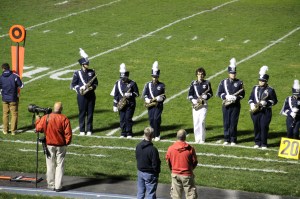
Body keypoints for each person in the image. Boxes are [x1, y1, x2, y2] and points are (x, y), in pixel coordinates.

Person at [35, 102, 72, 192]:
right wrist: (66, 143)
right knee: (60, 165)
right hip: (61, 145)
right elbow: (68, 134)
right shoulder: (64, 119)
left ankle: (51, 185)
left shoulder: (46, 117)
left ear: (53, 108)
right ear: (61, 109)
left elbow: (38, 129)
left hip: (49, 145)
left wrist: (37, 120)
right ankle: (58, 186)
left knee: (50, 165)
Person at [217, 58, 245, 146]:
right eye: (232, 73)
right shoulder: (223, 82)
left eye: (234, 73)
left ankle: (233, 139)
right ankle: (226, 138)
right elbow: (219, 93)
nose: (233, 74)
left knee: (233, 122)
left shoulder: (239, 82)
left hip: (235, 105)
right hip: (226, 105)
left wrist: (236, 98)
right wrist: (226, 96)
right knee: (226, 122)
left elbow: (242, 94)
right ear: (228, 73)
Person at [248, 66, 278, 149]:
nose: (260, 82)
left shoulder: (270, 90)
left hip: (265, 112)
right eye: (260, 80)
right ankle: (257, 142)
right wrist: (251, 104)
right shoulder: (255, 88)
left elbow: (274, 101)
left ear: (266, 81)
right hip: (256, 111)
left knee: (264, 127)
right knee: (256, 126)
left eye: (262, 81)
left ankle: (264, 143)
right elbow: (250, 98)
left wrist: (266, 103)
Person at [71, 48, 98, 136]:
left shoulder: (92, 72)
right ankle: (82, 130)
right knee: (82, 113)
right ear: (82, 65)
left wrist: (91, 88)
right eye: (86, 63)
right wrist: (80, 88)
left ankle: (89, 129)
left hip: (90, 95)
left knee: (90, 112)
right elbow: (73, 85)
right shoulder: (77, 73)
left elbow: (96, 83)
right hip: (81, 96)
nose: (88, 64)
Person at [166, 129, 198, 199]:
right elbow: (195, 161)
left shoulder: (170, 148)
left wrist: (173, 169)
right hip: (187, 175)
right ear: (185, 137)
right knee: (191, 196)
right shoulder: (190, 148)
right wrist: (190, 169)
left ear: (177, 137)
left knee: (176, 196)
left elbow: (168, 161)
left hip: (175, 175)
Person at [110, 63, 139, 138]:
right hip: (121, 104)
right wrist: (114, 105)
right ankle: (123, 133)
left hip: (130, 104)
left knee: (128, 118)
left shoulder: (132, 83)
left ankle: (129, 132)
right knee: (122, 119)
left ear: (127, 76)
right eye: (122, 78)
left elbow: (136, 93)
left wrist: (130, 94)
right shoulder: (118, 83)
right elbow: (116, 95)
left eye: (124, 78)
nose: (122, 79)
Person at [188, 67, 213, 144]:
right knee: (196, 122)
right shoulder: (193, 83)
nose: (200, 76)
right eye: (199, 74)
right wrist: (193, 100)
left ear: (204, 75)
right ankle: (197, 138)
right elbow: (190, 94)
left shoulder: (207, 83)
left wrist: (206, 97)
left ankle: (202, 138)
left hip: (203, 105)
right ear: (196, 75)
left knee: (202, 121)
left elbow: (210, 93)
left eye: (202, 74)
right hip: (196, 104)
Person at [142, 61, 166, 141]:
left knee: (156, 119)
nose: (154, 78)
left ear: (158, 77)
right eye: (153, 77)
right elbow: (145, 94)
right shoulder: (148, 84)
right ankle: (152, 134)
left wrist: (160, 99)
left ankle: (157, 134)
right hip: (151, 105)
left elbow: (164, 96)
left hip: (158, 105)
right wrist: (146, 99)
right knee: (151, 119)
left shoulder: (161, 85)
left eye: (156, 77)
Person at [136, 127, 161, 199]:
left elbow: (137, 157)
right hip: (150, 174)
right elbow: (155, 164)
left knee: (140, 193)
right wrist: (157, 172)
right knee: (150, 194)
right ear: (152, 135)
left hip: (140, 172)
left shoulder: (138, 146)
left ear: (144, 134)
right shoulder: (153, 150)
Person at [0, 63, 24, 135]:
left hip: (4, 98)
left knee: (5, 114)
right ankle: (13, 131)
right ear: (9, 68)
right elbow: (21, 86)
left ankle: (5, 130)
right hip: (13, 98)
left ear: (3, 69)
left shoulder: (1, 77)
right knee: (14, 114)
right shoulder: (15, 76)